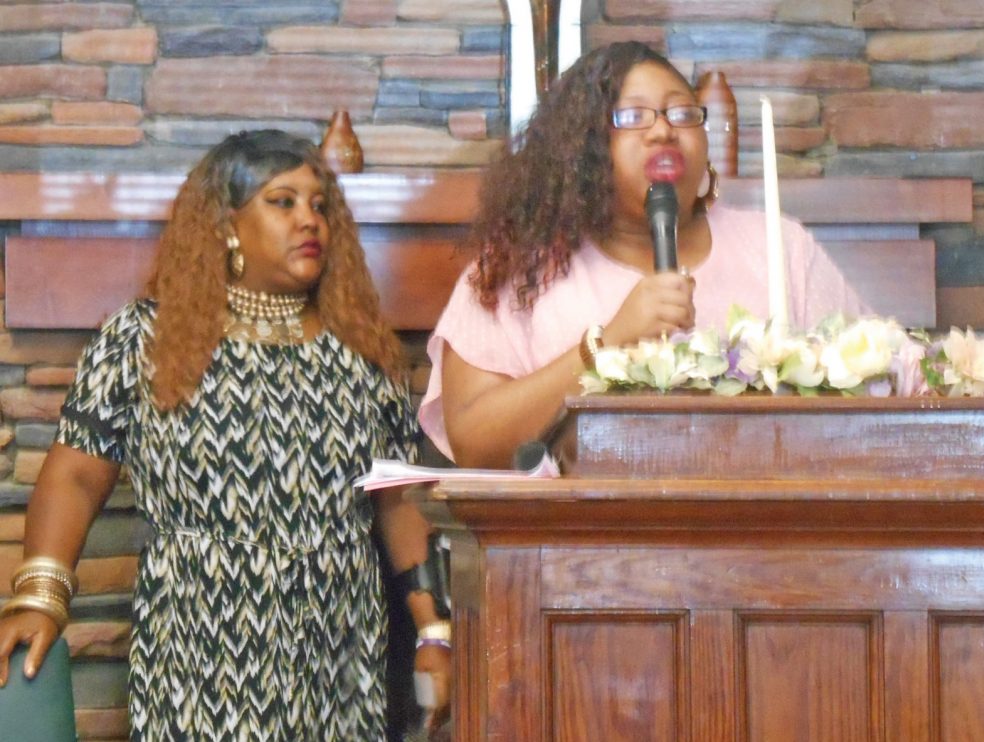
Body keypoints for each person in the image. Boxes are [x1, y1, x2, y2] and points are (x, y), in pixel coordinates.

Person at [0, 130, 450, 740]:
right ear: (226, 225)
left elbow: (397, 502)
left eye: (319, 206)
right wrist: (40, 598)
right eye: (282, 202)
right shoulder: (143, 339)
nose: (309, 220)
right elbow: (76, 476)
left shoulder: (363, 351)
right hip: (199, 650)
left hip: (339, 656)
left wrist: (433, 631)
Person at [419, 41, 869, 468]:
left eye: (682, 113)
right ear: (582, 147)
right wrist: (608, 344)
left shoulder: (780, 246)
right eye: (633, 116)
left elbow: (877, 386)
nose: (663, 130)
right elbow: (475, 442)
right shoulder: (519, 264)